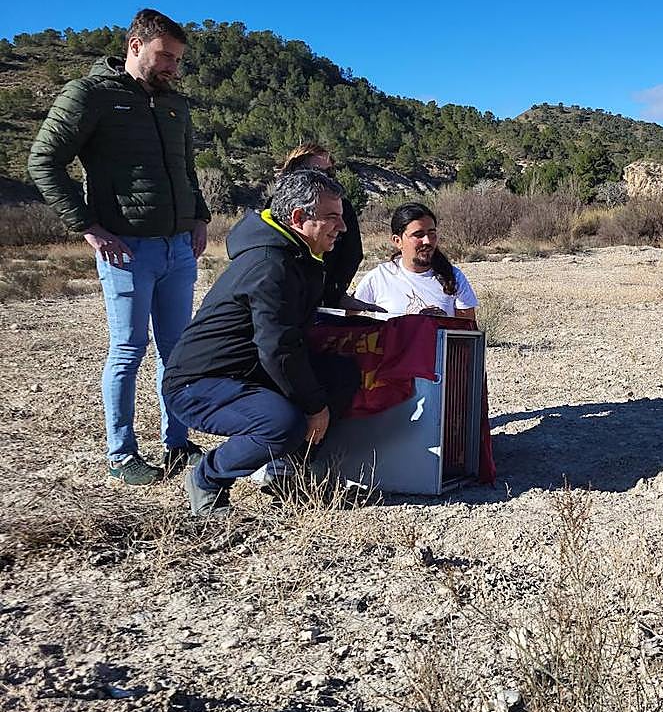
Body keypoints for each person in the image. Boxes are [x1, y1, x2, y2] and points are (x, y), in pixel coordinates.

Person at [27, 8, 210, 485]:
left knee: (178, 351)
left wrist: (199, 217)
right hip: (125, 248)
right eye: (165, 56)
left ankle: (178, 443)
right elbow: (44, 161)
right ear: (135, 46)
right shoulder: (89, 95)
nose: (173, 66)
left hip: (178, 248)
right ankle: (121, 453)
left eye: (178, 59)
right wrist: (87, 226)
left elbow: (186, 168)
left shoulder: (175, 105)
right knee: (128, 350)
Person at [162, 169, 359, 516]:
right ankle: (208, 477)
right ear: (299, 218)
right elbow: (278, 348)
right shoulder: (271, 266)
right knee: (282, 423)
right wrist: (314, 408)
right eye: (332, 218)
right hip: (199, 384)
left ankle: (286, 473)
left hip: (249, 371)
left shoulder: (298, 256)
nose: (341, 228)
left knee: (340, 374)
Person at [352, 202, 478, 319]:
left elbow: (467, 333)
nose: (427, 241)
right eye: (418, 235)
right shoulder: (379, 277)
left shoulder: (453, 277)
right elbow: (350, 318)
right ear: (398, 241)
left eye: (432, 233)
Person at [277, 143, 363, 308]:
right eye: (318, 172)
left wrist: (334, 294)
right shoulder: (275, 207)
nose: (327, 177)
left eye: (330, 172)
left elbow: (352, 254)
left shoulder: (342, 206)